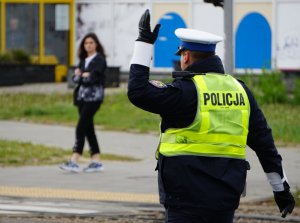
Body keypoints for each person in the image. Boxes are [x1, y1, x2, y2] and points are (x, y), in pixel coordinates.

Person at [127, 9, 295, 223]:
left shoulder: (186, 92)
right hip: (225, 198)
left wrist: (143, 43)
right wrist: (280, 189)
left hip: (184, 199)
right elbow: (265, 144)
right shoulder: (241, 91)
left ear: (186, 56)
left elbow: (137, 91)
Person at [60, 33, 107, 173]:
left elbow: (91, 79)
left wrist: (82, 75)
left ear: (96, 44)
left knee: (80, 127)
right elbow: (74, 79)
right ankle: (96, 160)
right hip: (81, 98)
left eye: (91, 42)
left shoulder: (100, 60)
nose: (88, 45)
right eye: (86, 43)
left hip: (94, 99)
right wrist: (82, 76)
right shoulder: (83, 60)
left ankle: (75, 159)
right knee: (88, 129)